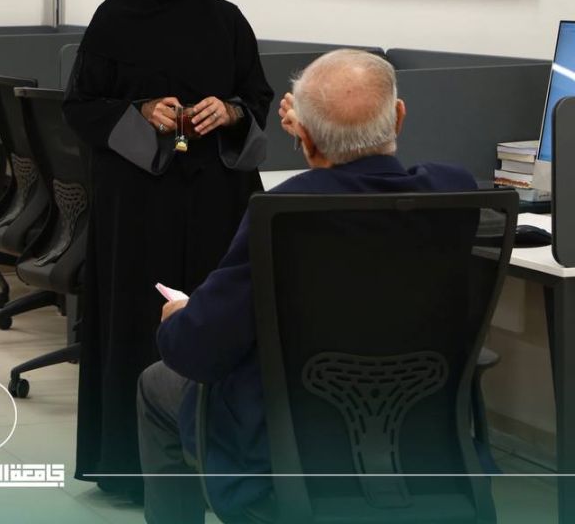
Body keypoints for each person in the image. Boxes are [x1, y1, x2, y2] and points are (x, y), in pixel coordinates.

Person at [136, 49, 477, 523]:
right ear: (399, 117)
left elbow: (197, 352)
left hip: (287, 446)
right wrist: (315, 137)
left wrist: (178, 320)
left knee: (156, 382)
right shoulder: (453, 191)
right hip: (421, 439)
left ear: (305, 137)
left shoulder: (282, 212)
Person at [63, 0, 273, 497]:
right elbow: (79, 107)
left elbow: (257, 99)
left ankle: (222, 465)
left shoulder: (228, 23)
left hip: (216, 202)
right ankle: (132, 467)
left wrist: (229, 111)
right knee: (138, 322)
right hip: (139, 205)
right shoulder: (113, 21)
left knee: (214, 320)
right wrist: (141, 111)